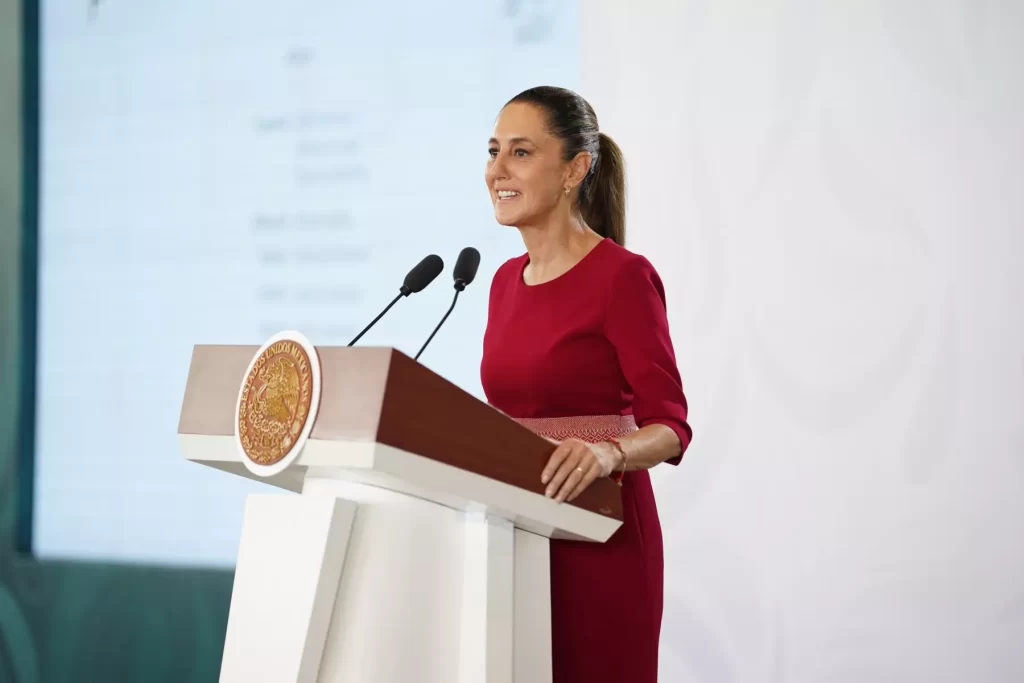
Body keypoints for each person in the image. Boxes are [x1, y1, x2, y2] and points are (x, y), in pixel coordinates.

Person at [480, 85, 693, 683]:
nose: (497, 169)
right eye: (493, 151)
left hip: (602, 538)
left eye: (521, 152)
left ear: (575, 169)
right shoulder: (502, 282)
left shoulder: (623, 277)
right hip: (514, 535)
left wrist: (608, 453)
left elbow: (672, 427)